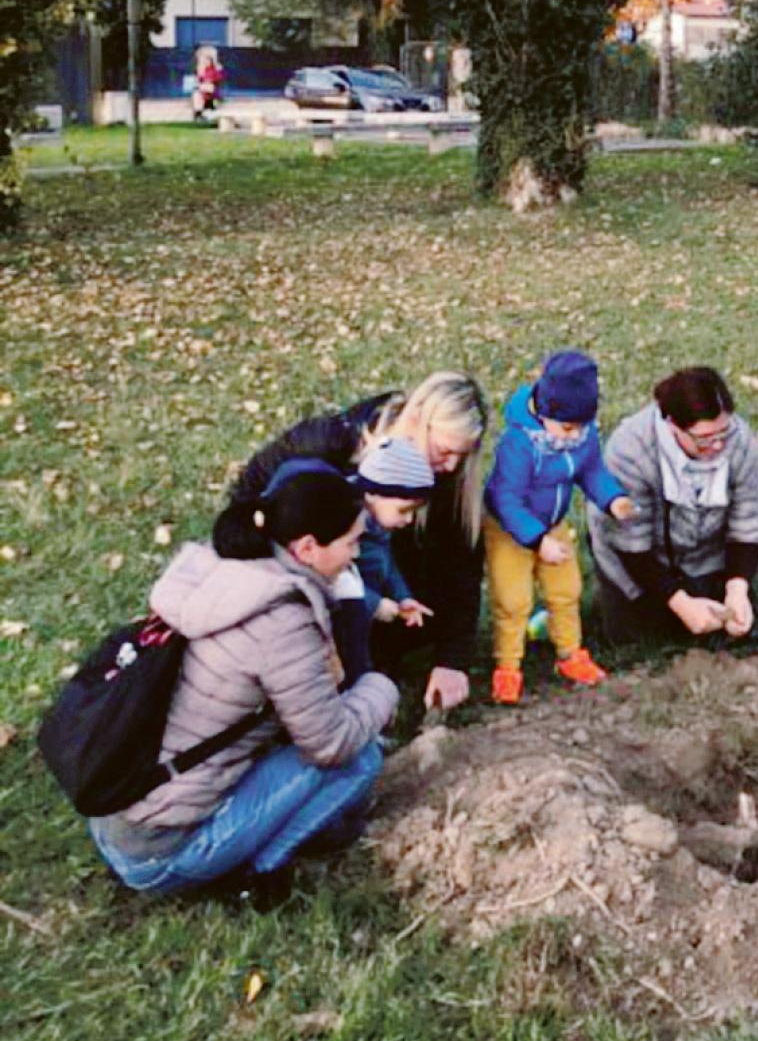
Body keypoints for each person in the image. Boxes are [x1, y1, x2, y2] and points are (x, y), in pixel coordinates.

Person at [88, 460, 397, 901]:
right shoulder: (281, 619)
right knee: (359, 757)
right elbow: (328, 744)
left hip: (116, 811)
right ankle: (256, 876)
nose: (354, 554)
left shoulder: (224, 569)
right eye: (350, 542)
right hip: (159, 855)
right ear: (307, 547)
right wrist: (381, 689)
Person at [228, 371, 487, 711]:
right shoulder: (332, 445)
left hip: (379, 605)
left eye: (462, 456)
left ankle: (374, 667)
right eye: (445, 450)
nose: (451, 465)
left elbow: (461, 566)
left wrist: (452, 659)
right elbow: (250, 496)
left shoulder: (448, 480)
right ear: (418, 421)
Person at [483, 351, 636, 703]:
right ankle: (508, 666)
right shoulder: (520, 444)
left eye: (581, 428)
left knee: (566, 590)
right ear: (544, 412)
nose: (573, 437)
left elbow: (591, 470)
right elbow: (506, 498)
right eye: (567, 429)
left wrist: (612, 499)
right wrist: (536, 541)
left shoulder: (581, 436)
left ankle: (570, 654)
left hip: (551, 524)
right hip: (512, 529)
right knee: (513, 599)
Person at [587, 367, 758, 647]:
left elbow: (749, 520)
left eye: (723, 431)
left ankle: (712, 585)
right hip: (638, 560)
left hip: (705, 554)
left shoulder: (740, 442)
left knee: (730, 631)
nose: (718, 445)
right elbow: (630, 542)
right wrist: (680, 602)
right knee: (641, 640)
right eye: (704, 439)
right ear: (672, 424)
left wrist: (737, 587)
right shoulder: (630, 451)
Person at [328, 435, 436, 687]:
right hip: (345, 617)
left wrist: (403, 597)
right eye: (404, 511)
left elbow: (388, 566)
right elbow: (337, 583)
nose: (408, 521)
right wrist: (374, 604)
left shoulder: (378, 529)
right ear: (374, 494)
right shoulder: (348, 530)